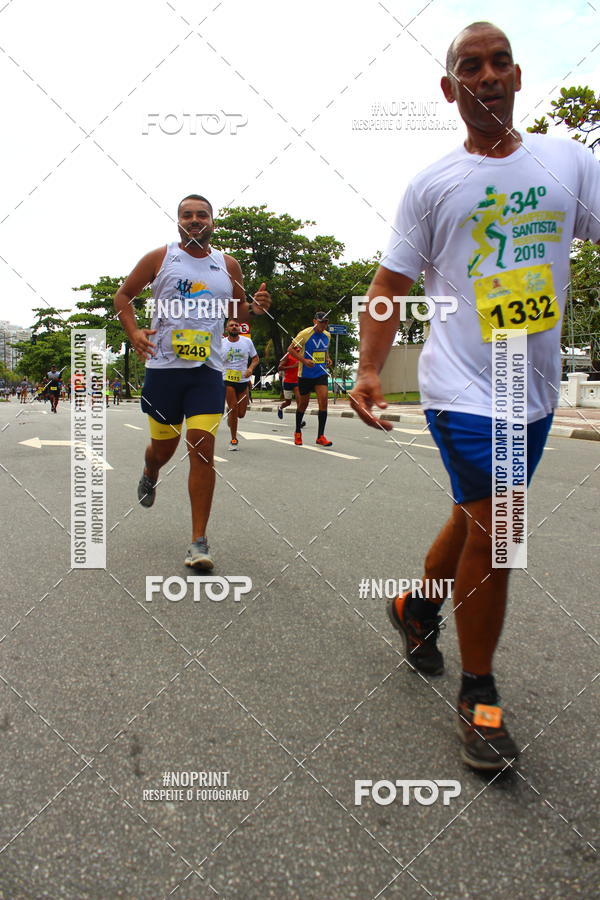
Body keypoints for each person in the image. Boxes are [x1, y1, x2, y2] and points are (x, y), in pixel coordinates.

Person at [351, 21, 600, 771]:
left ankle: (415, 606)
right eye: (469, 67)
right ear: (449, 87)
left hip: (535, 386)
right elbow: (390, 285)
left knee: (476, 522)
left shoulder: (568, 162)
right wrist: (366, 370)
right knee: (502, 528)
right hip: (460, 384)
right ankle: (480, 693)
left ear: (518, 77)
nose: (486, 76)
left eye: (498, 64)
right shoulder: (433, 185)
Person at [114, 194, 271, 569]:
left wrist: (257, 309)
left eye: (202, 215)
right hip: (164, 372)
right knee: (163, 451)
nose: (195, 220)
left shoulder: (227, 264)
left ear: (212, 222)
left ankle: (198, 541)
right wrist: (134, 332)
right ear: (178, 221)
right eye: (188, 215)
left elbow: (238, 311)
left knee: (201, 449)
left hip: (207, 372)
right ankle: (151, 469)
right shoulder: (160, 258)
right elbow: (123, 295)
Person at [287, 312, 333, 446]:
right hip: (305, 375)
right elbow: (291, 349)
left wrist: (327, 359)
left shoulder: (327, 335)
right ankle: (297, 432)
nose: (323, 325)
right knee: (303, 404)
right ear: (315, 321)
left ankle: (320, 436)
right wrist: (304, 360)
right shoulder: (304, 334)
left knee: (323, 401)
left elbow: (325, 350)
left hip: (320, 373)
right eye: (321, 322)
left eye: (325, 322)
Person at [222, 317, 259, 450]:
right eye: (231, 325)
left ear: (239, 328)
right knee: (234, 408)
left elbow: (255, 359)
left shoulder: (247, 342)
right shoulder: (222, 344)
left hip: (243, 380)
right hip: (228, 379)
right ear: (227, 329)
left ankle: (230, 413)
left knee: (241, 414)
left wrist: (250, 369)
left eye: (236, 325)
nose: (234, 327)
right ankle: (233, 439)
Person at [277, 344, 304, 421]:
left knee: (300, 402)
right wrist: (292, 366)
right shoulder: (287, 356)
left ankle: (300, 420)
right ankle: (280, 407)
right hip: (288, 381)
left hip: (297, 381)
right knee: (288, 402)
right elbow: (279, 367)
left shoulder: (302, 354)